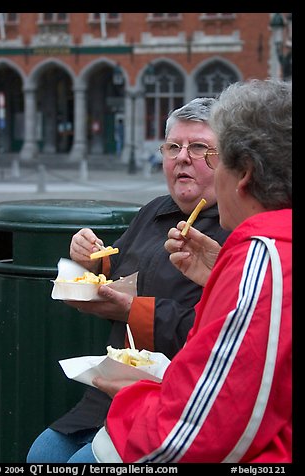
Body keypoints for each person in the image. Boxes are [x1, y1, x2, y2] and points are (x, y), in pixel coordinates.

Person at [87, 78, 292, 463]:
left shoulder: (264, 257)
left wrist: (132, 399)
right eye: (174, 147)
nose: (186, 158)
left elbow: (189, 439)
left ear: (242, 172)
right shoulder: (257, 251)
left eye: (212, 155)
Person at [26, 97, 230, 463]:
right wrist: (90, 260)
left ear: (225, 158)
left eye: (198, 147)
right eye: (173, 147)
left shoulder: (231, 227)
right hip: (107, 394)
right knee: (42, 452)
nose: (182, 157)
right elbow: (116, 276)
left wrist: (132, 310)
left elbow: (219, 330)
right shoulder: (154, 211)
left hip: (173, 401)